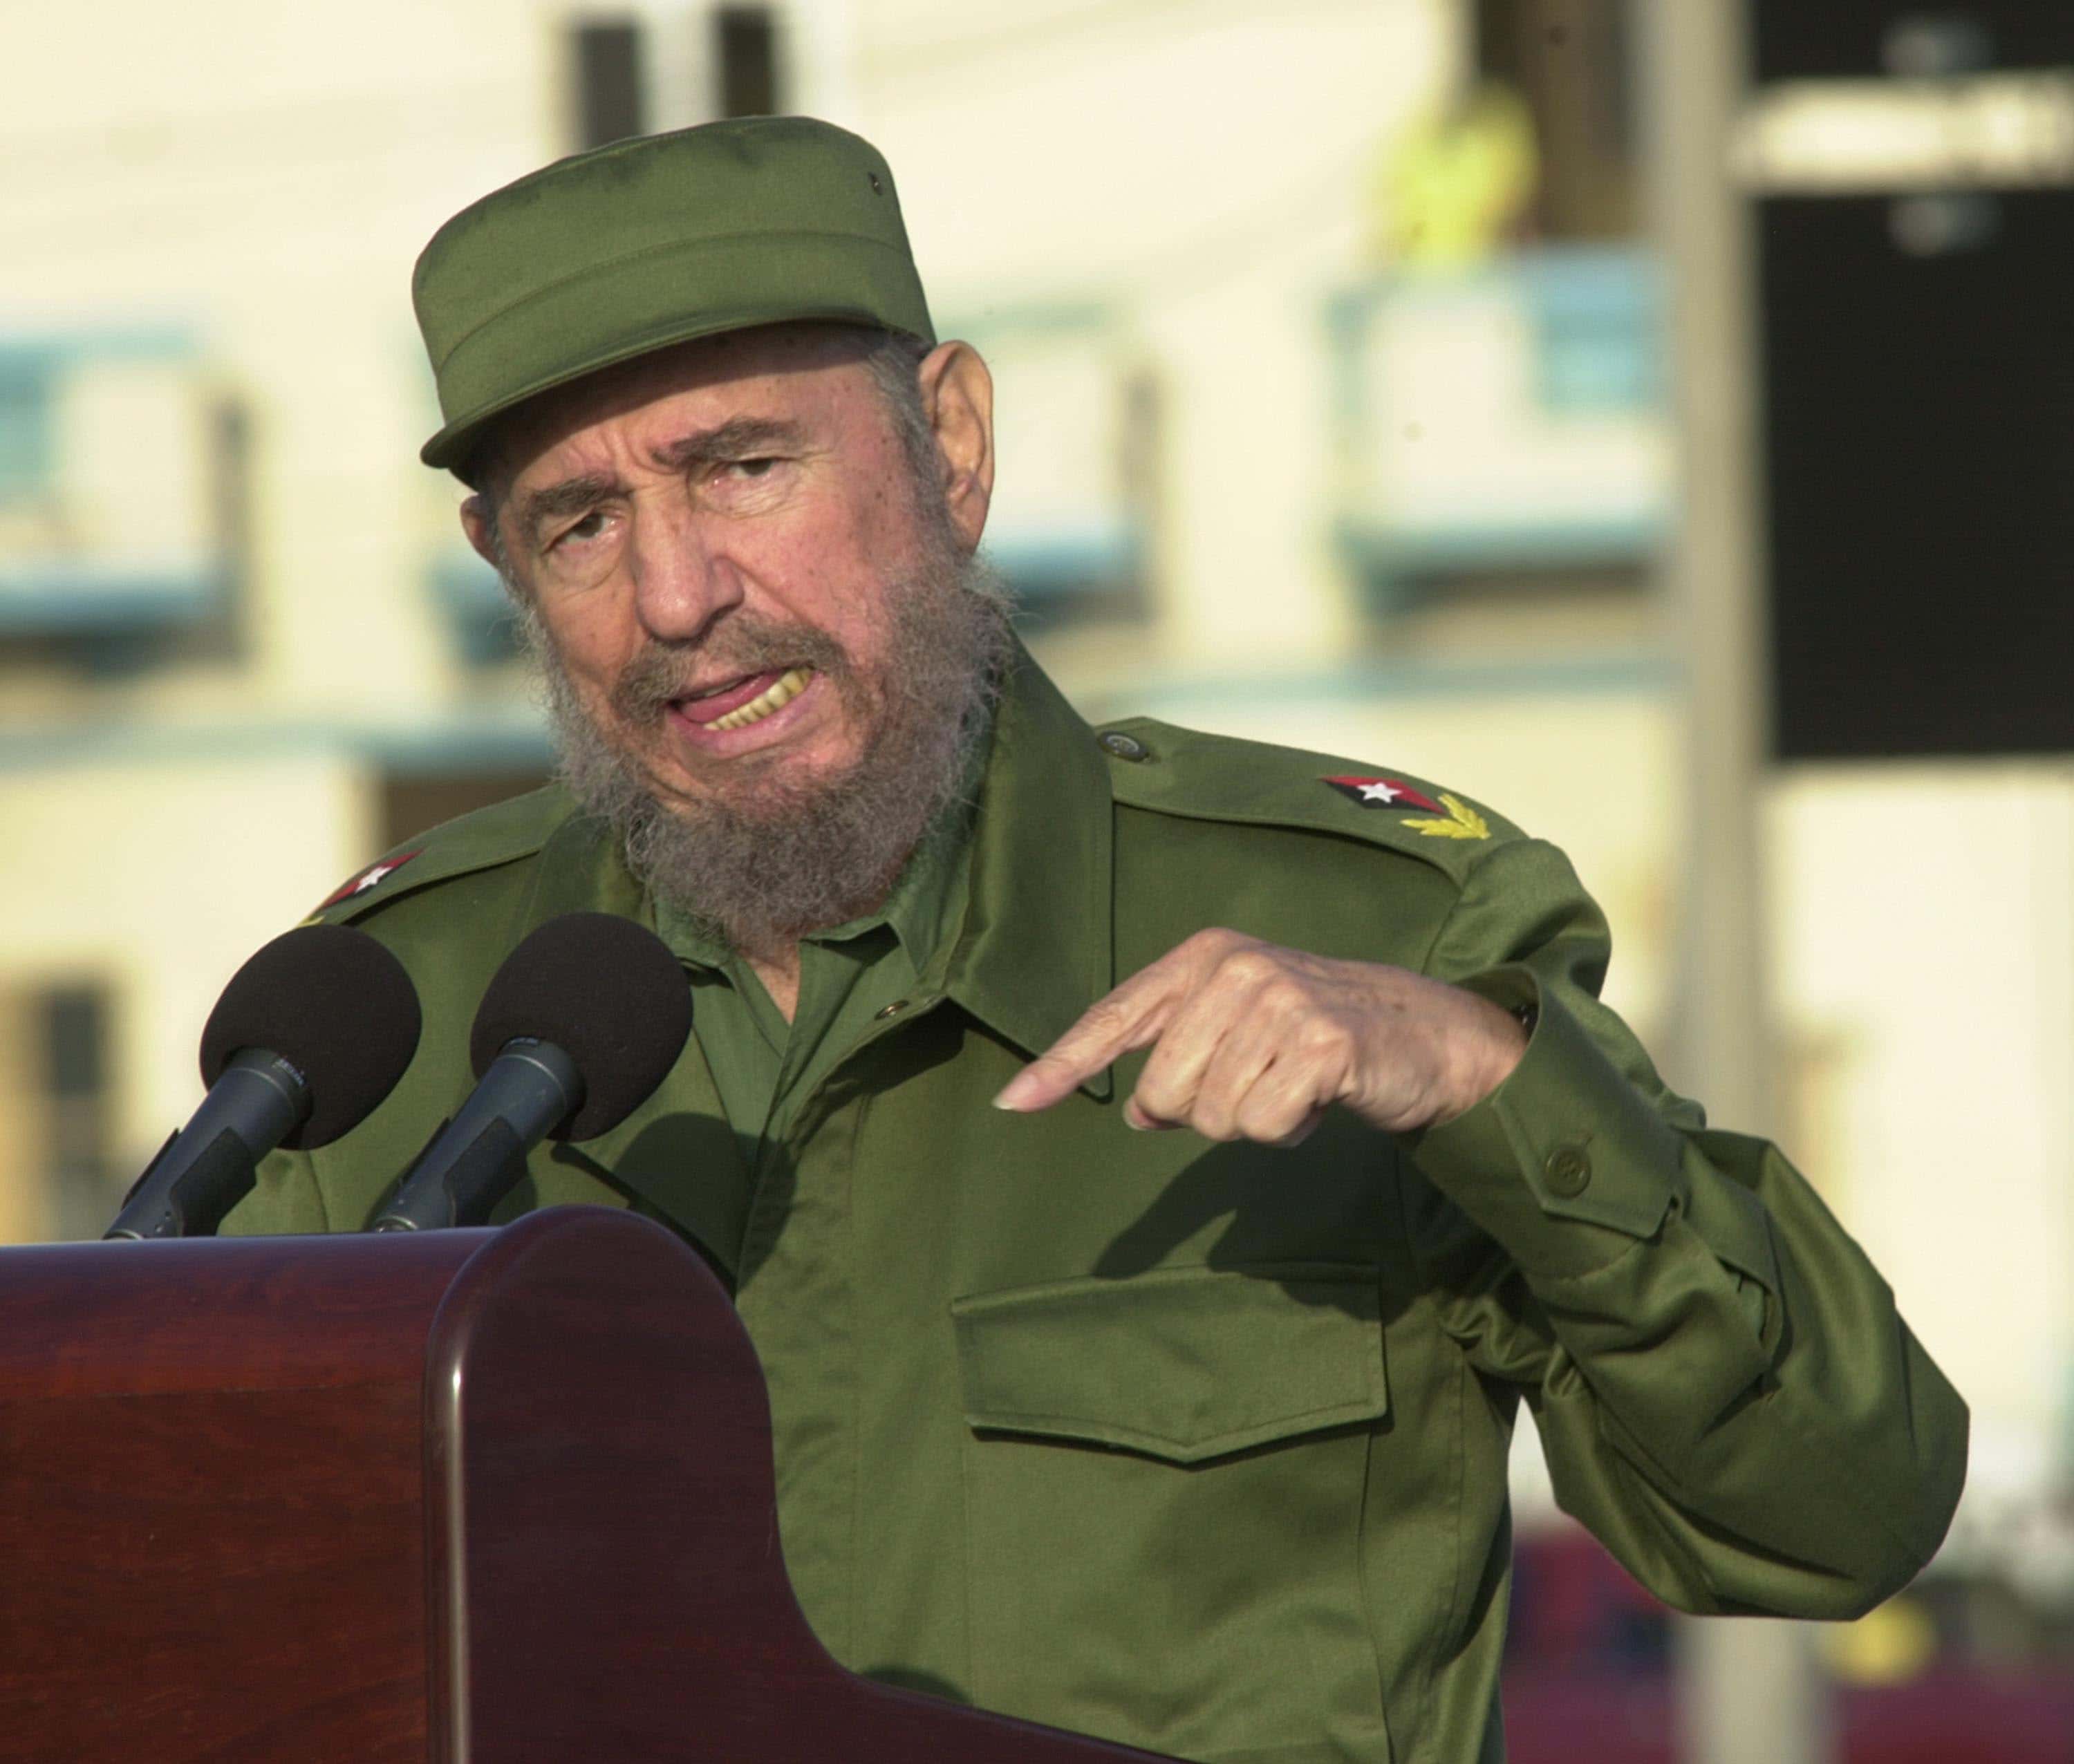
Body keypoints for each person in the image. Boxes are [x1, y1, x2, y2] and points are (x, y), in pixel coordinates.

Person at [225, 117, 1966, 1763]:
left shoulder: (1375, 930)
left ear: (953, 448)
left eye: (744, 468)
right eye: (582, 524)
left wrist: (1487, 1081)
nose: (677, 597)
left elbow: (1835, 1512)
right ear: (501, 565)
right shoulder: (380, 1035)